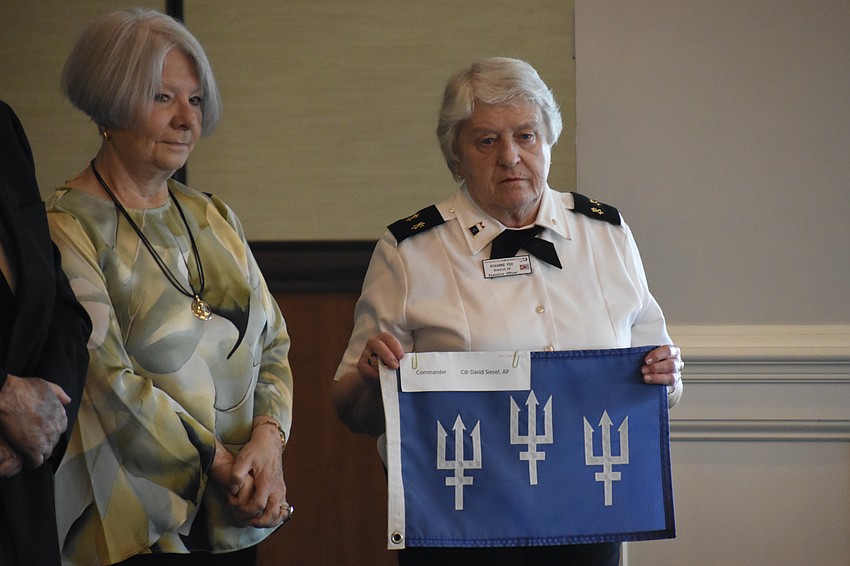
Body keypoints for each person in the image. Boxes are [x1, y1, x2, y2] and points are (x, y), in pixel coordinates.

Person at [332, 57, 684, 566]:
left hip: (589, 519)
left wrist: (669, 375)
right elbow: (351, 407)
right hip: (459, 527)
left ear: (548, 141)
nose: (510, 156)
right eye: (486, 141)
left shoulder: (607, 235)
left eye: (526, 135)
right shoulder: (409, 251)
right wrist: (371, 378)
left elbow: (659, 374)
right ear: (456, 156)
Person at [46, 9, 294, 566]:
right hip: (134, 528)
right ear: (111, 104)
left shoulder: (214, 214)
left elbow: (274, 343)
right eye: (163, 98)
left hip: (237, 514)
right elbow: (105, 379)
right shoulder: (67, 225)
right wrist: (225, 467)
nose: (186, 119)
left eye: (196, 101)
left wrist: (268, 443)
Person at [0, 100, 91, 565]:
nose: (184, 116)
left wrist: (40, 423)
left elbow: (62, 311)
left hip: (20, 503)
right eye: (162, 96)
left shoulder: (4, 126)